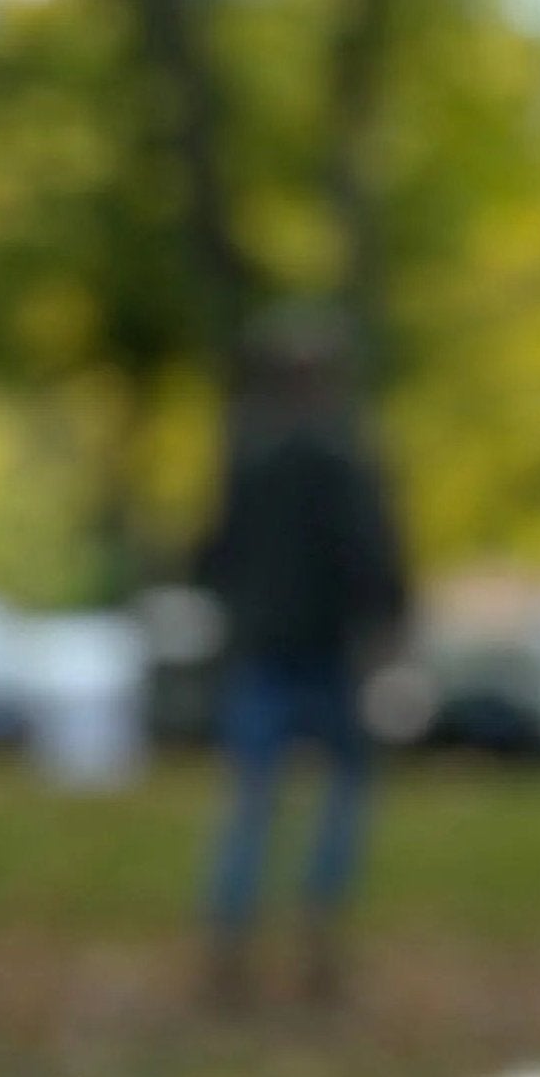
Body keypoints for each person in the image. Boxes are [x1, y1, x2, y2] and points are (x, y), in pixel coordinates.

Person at [193, 309, 408, 1009]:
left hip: (269, 650)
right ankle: (310, 939)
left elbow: (214, 553)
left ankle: (236, 943)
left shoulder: (248, 461)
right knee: (330, 800)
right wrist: (384, 627)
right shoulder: (344, 463)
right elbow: (372, 557)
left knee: (254, 803)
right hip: (323, 653)